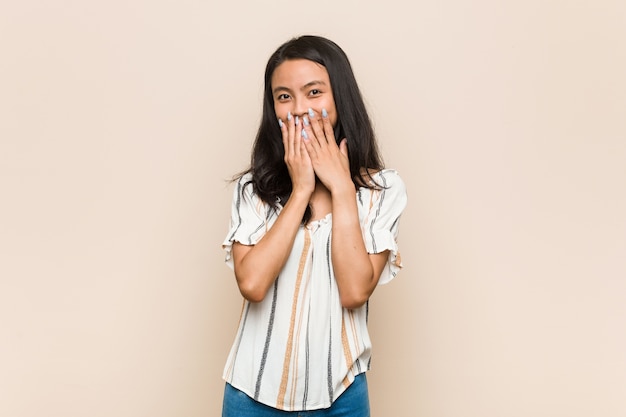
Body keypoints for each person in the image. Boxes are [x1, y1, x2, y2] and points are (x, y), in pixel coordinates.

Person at [220, 35, 407, 416]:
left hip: (342, 397)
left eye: (314, 92)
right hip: (251, 395)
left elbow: (355, 291)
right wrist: (301, 190)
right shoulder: (251, 189)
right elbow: (252, 284)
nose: (298, 109)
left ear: (340, 97)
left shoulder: (382, 190)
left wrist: (340, 188)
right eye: (284, 96)